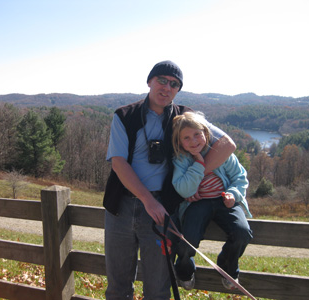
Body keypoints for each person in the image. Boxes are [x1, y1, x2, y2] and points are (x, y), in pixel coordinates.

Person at [103, 60, 236, 300]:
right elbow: (118, 163)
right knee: (117, 287)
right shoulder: (125, 115)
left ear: (178, 90)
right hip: (120, 207)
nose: (167, 87)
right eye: (162, 80)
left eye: (174, 84)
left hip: (163, 209)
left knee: (158, 288)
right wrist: (147, 200)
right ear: (149, 82)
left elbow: (228, 145)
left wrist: (195, 175)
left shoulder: (185, 117)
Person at [171, 111, 253, 291]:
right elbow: (183, 189)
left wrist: (233, 194)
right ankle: (184, 270)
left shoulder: (221, 153)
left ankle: (227, 266)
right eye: (186, 138)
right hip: (198, 204)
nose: (193, 141)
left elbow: (239, 177)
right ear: (179, 142)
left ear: (206, 133)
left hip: (225, 201)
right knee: (187, 241)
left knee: (242, 233)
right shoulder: (181, 159)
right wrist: (199, 164)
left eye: (197, 134)